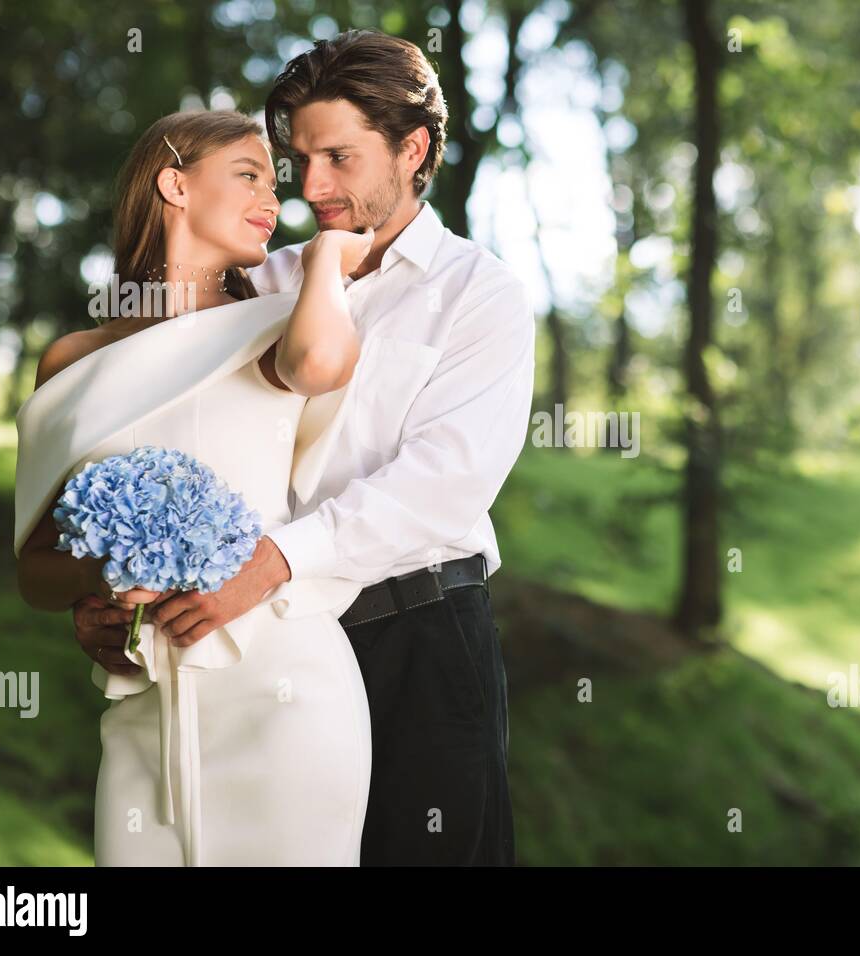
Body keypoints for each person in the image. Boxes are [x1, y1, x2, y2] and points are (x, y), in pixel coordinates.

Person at [76, 29, 536, 866]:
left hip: (419, 638)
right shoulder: (261, 281)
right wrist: (113, 594)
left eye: (340, 158)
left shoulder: (482, 297)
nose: (312, 188)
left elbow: (442, 485)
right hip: (255, 646)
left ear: (413, 148)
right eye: (298, 161)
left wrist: (275, 561)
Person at [15, 109, 375, 866]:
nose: (274, 200)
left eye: (275, 185)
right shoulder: (73, 360)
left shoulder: (279, 328)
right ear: (174, 183)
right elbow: (36, 571)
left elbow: (317, 366)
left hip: (288, 693)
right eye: (248, 174)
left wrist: (325, 262)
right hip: (146, 696)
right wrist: (111, 580)